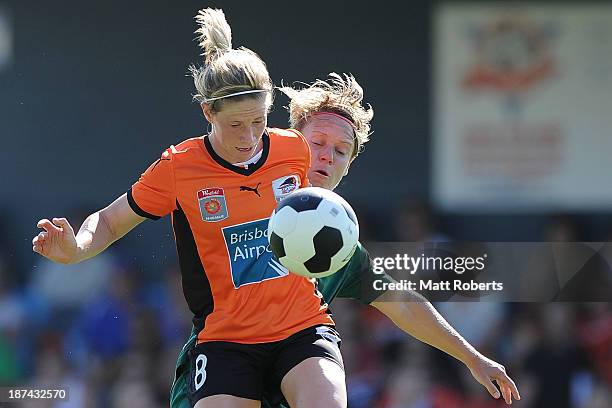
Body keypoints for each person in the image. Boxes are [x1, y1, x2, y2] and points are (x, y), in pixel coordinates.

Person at [33, 9, 347, 408]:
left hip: (302, 327)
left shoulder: (293, 149)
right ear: (207, 113)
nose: (250, 137)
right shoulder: (179, 168)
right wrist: (77, 248)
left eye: (258, 121)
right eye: (235, 124)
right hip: (226, 340)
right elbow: (110, 221)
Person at [171, 73, 521, 407]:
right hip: (219, 367)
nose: (327, 156)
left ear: (348, 166)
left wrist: (472, 358)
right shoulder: (241, 190)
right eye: (317, 143)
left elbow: (401, 302)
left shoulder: (337, 248)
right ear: (291, 143)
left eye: (340, 151)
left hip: (289, 376)